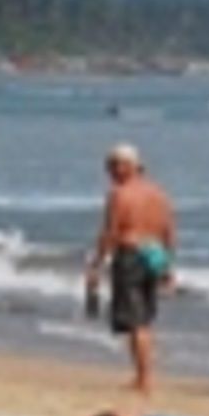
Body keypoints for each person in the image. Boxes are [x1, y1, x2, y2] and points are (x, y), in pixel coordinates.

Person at [80, 144, 179, 398]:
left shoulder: (120, 194)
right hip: (155, 254)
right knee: (144, 316)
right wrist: (168, 264)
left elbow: (110, 232)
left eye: (111, 166)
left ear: (125, 167)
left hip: (132, 253)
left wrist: (97, 264)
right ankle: (142, 375)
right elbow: (169, 231)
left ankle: (144, 378)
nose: (109, 172)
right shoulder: (160, 194)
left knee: (136, 321)